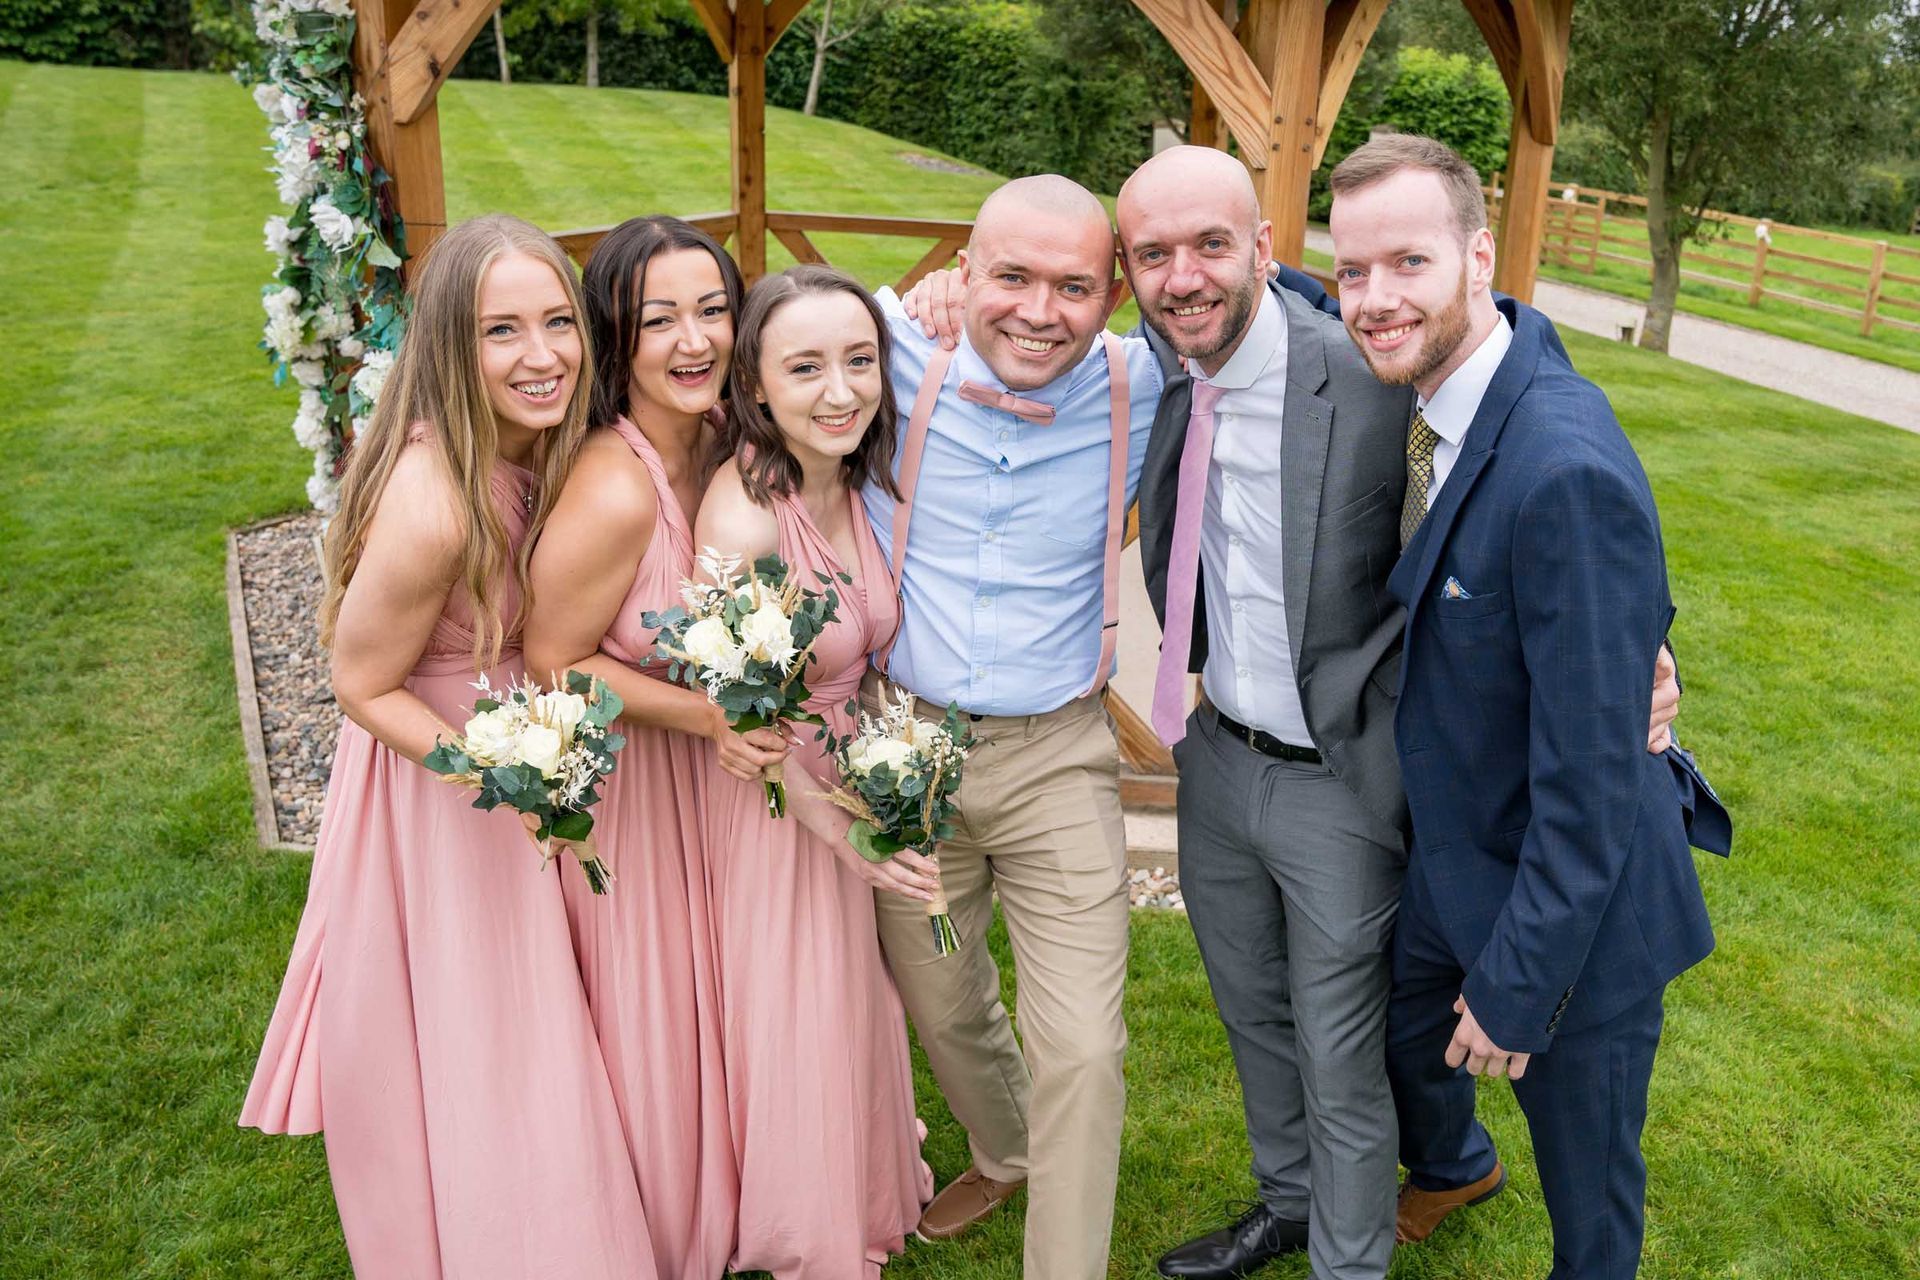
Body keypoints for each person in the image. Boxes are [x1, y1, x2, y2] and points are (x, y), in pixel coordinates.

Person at [1326, 133, 1729, 1278]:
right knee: (1406, 1046)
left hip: (1577, 912)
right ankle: (1453, 1162)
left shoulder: (1561, 468)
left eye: (1407, 262)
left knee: (1589, 1188)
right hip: (1455, 860)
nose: (1372, 299)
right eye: (1350, 271)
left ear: (1478, 257)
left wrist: (1512, 991)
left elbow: (1594, 786)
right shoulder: (1453, 388)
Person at [238, 214, 656, 1278]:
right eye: (500, 331)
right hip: (451, 783)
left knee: (551, 1014)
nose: (544, 354)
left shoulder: (545, 444)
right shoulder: (433, 503)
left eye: (558, 321)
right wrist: (499, 774)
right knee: (492, 1038)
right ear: (446, 349)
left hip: (532, 752)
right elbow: (360, 681)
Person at [1120, 145, 1416, 1280]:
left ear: (1264, 250)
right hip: (1215, 757)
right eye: (1154, 254)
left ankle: (1350, 1262)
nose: (1184, 276)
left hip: (1336, 778)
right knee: (1251, 1010)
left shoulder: (1366, 382)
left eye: (1210, 246)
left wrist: (1649, 635)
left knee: (1340, 1052)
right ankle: (1287, 1202)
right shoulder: (1167, 353)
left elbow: (1515, 453)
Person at [873, 175, 1165, 1280]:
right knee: (941, 992)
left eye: (1074, 286)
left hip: (1057, 757)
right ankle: (1004, 1147)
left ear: (1116, 294)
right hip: (907, 754)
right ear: (966, 267)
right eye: (1011, 277)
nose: (1041, 310)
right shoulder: (887, 346)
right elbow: (728, 332)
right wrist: (920, 294)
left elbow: (1293, 327)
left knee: (1084, 1044)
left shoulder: (1148, 381)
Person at [524, 215, 780, 1280]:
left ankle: (750, 1186)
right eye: (658, 316)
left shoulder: (728, 441)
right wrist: (714, 716)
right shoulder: (613, 482)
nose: (694, 339)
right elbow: (556, 660)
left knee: (730, 997)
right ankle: (669, 1228)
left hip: (717, 783)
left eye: (713, 310)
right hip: (640, 786)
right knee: (659, 1020)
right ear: (612, 333)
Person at [692, 264, 933, 1279]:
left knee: (853, 997)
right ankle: (810, 1229)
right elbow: (743, 724)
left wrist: (897, 781)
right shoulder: (747, 522)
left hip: (847, 778)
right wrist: (841, 823)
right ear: (754, 384)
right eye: (806, 367)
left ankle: (865, 1174)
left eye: (860, 360)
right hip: (776, 801)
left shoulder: (849, 478)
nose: (841, 390)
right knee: (802, 1012)